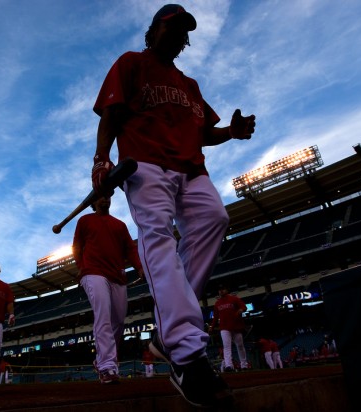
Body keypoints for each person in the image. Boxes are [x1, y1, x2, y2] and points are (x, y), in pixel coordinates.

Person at [91, 4, 255, 407]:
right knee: (158, 239)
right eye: (172, 27)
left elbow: (204, 132)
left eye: (184, 31)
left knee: (216, 218)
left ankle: (167, 331)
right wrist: (100, 159)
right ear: (154, 30)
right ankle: (185, 353)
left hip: (190, 167)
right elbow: (110, 115)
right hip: (144, 162)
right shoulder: (131, 63)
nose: (179, 36)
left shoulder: (190, 84)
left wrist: (230, 133)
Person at [72, 196, 144, 384]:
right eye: (100, 197)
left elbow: (130, 249)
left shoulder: (119, 225)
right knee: (103, 314)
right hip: (93, 271)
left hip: (117, 275)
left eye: (107, 196)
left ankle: (103, 359)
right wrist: (81, 266)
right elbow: (77, 245)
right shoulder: (84, 220)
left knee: (118, 321)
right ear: (93, 203)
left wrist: (139, 267)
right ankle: (107, 366)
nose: (104, 200)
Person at [208, 285, 249, 372]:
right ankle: (229, 366)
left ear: (227, 290)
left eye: (222, 289)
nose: (221, 291)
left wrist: (241, 310)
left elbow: (244, 307)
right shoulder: (217, 303)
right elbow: (215, 318)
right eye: (219, 290)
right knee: (226, 346)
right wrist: (212, 327)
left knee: (240, 346)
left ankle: (244, 365)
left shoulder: (234, 299)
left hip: (236, 326)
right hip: (224, 327)